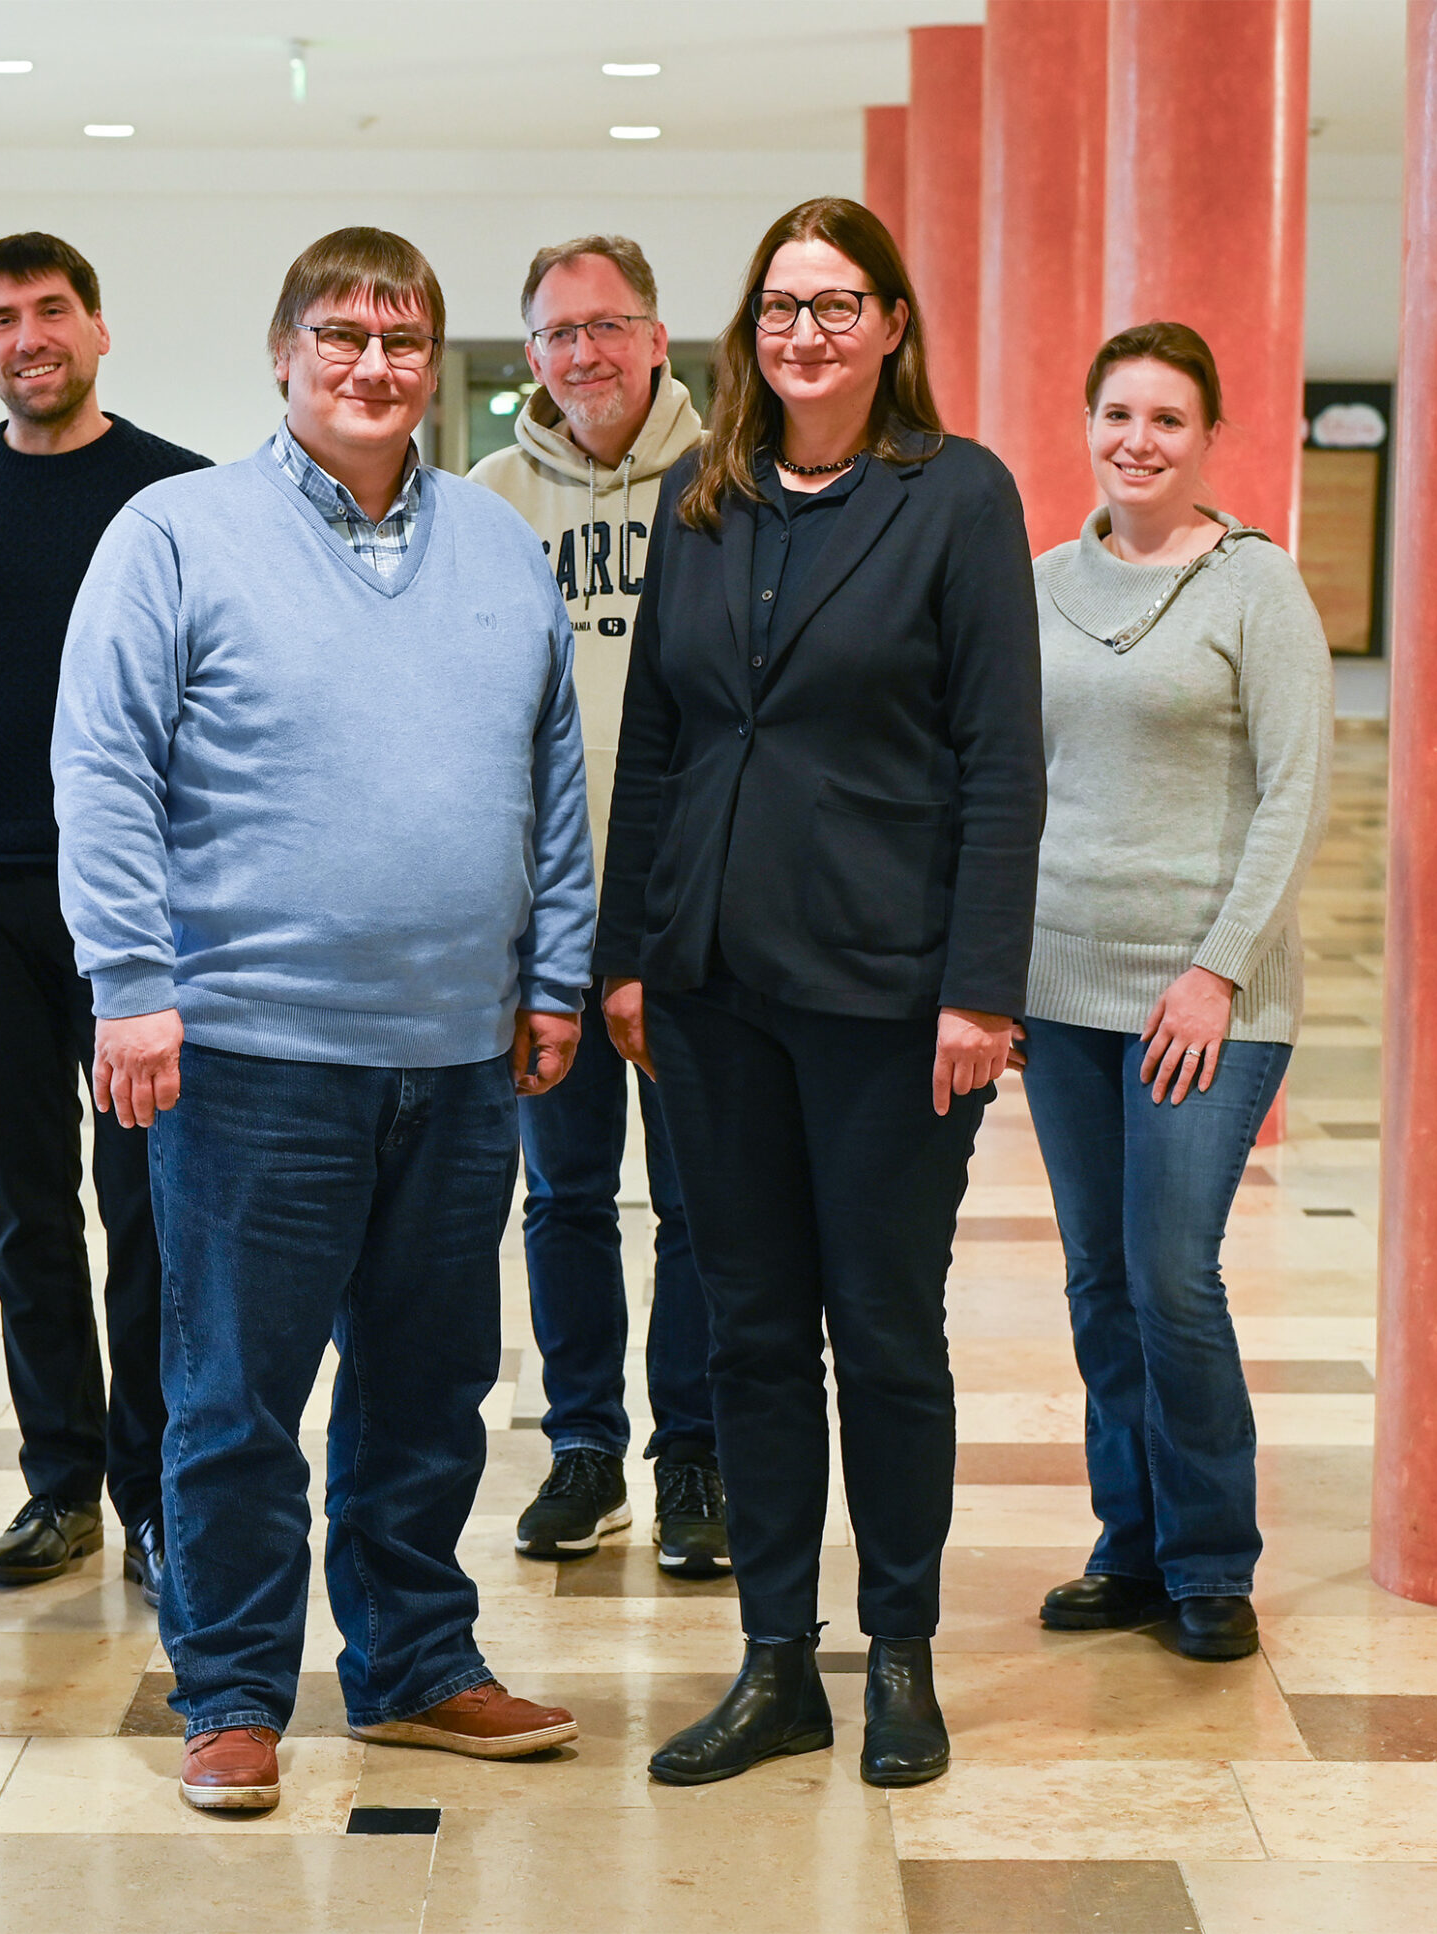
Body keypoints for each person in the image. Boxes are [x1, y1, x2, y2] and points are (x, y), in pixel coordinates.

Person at [53, 227, 598, 1814]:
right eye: (344, 335)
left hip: (456, 1055)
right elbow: (103, 773)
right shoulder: (175, 533)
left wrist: (554, 968)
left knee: (432, 1385)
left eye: (404, 339)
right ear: (283, 355)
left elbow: (551, 776)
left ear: (437, 364)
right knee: (234, 1395)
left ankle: (417, 1661)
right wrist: (132, 985)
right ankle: (228, 1690)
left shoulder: (499, 545)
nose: (375, 364)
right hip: (247, 1055)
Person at [595, 198, 1044, 1789]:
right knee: (752, 1332)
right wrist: (627, 955)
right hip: (713, 986)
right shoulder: (705, 501)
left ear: (893, 325)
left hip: (887, 993)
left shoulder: (956, 496)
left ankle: (900, 1649)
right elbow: (654, 739)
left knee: (887, 1330)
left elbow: (1002, 756)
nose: (805, 332)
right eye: (781, 306)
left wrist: (982, 986)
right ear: (750, 330)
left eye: (838, 304)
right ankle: (777, 1659)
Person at [0, 234, 207, 1600]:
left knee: (152, 1206)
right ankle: (59, 1482)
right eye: (2, 319)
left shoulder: (180, 496)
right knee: (29, 1204)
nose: (29, 336)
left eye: (51, 310)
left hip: (140, 903)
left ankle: (157, 1490)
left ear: (99, 330)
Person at [1021, 322, 1331, 1663]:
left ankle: (1212, 1557)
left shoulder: (1257, 586)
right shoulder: (1036, 583)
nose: (1138, 439)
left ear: (1211, 438)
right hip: (1056, 986)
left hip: (1203, 996)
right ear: (1085, 421)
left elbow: (1297, 789)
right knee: (1098, 1279)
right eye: (1118, 414)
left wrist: (1215, 969)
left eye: (1167, 418)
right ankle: (1131, 1543)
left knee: (1171, 1272)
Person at [467, 236, 723, 1575]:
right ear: (534, 355)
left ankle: (695, 1453)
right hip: (541, 922)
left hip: (694, 918)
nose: (584, 355)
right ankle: (584, 1448)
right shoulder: (488, 499)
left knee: (698, 1202)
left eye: (607, 327)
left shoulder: (728, 487)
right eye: (558, 334)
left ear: (657, 334)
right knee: (562, 1195)